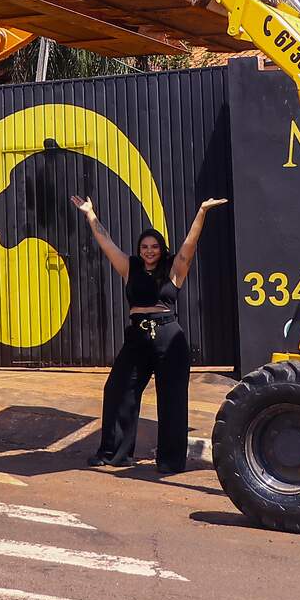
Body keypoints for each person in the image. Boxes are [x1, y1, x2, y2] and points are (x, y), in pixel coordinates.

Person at [70, 193, 226, 474]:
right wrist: (90, 213)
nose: (149, 251)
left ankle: (169, 461)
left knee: (172, 399)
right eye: (145, 247)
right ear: (139, 249)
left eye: (154, 246)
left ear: (161, 249)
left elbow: (190, 245)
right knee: (118, 390)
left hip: (168, 336)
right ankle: (114, 454)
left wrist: (201, 212)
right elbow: (106, 242)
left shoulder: (174, 269)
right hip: (137, 337)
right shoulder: (130, 267)